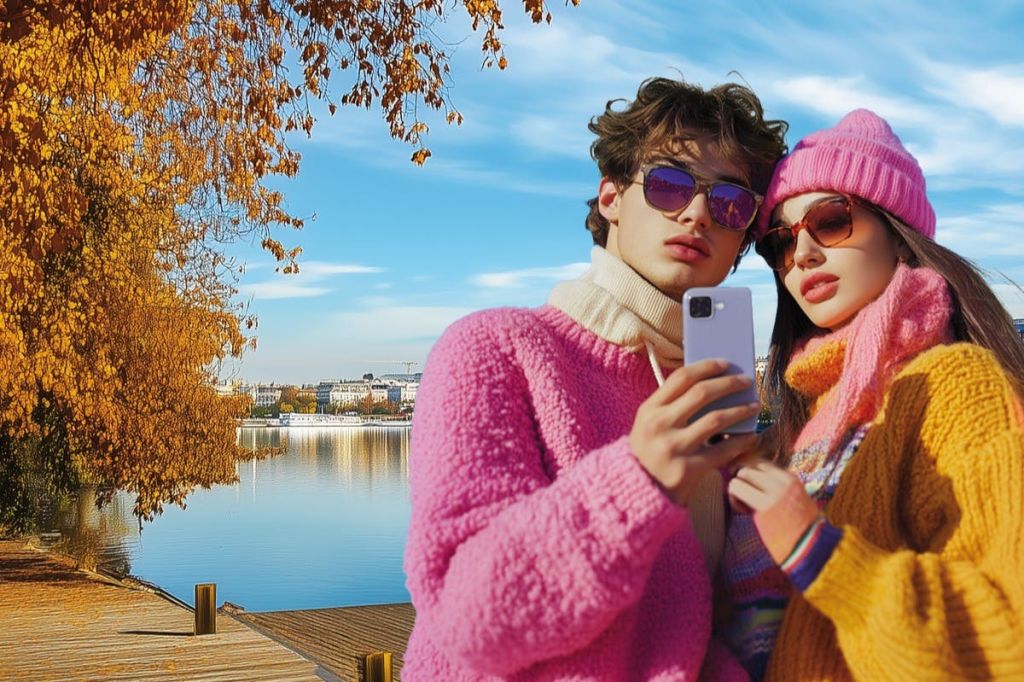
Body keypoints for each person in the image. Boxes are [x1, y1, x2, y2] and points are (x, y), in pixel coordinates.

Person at [402, 77, 787, 680]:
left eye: (731, 203)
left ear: (742, 236)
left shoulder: (720, 394)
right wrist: (639, 479)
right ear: (610, 197)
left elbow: (693, 626)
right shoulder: (493, 348)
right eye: (668, 184)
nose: (696, 213)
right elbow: (464, 619)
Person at [721, 109, 1024, 680]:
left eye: (831, 220)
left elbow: (1007, 636)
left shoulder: (955, 386)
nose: (803, 254)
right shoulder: (805, 421)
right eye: (780, 244)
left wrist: (824, 556)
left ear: (898, 234)